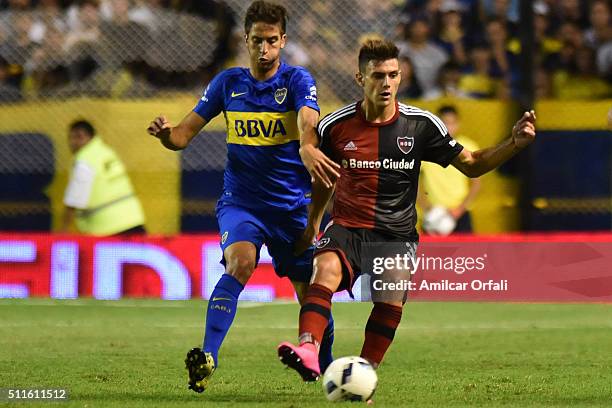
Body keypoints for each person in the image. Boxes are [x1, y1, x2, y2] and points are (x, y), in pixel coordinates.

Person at [277, 38, 536, 382]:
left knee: (392, 294)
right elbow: (325, 179)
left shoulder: (422, 125)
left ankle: (362, 374)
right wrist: (313, 224)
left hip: (395, 233)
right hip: (348, 227)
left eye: (393, 75)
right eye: (377, 76)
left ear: (401, 77)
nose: (386, 83)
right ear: (360, 79)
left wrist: (513, 144)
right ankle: (308, 349)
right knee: (323, 271)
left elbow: (471, 165)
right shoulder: (336, 126)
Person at [146, 0, 339, 393]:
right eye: (256, 41)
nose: (264, 49)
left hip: (291, 207)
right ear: (245, 41)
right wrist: (167, 135)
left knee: (309, 291)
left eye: (271, 41)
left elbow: (308, 119)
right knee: (240, 263)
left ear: (283, 41)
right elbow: (182, 136)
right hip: (242, 203)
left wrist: (307, 143)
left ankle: (327, 366)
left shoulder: (298, 81)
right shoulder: (227, 84)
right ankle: (208, 355)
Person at [62, 120, 146, 235]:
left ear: (89, 137)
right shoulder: (106, 151)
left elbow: (75, 199)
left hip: (107, 228)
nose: (73, 142)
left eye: (78, 137)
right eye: (71, 138)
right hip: (133, 220)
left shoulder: (84, 160)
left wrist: (63, 231)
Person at [418, 105, 481, 234]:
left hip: (460, 214)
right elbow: (414, 182)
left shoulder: (468, 147)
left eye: (453, 122)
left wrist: (459, 210)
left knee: (467, 254)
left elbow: (476, 183)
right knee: (429, 254)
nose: (449, 127)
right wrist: (426, 208)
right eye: (445, 122)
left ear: (458, 124)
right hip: (433, 214)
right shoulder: (424, 148)